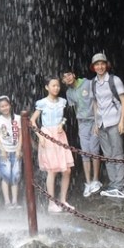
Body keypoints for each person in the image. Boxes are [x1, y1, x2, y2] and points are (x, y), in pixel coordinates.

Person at [31, 76, 74, 213]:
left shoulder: (62, 101)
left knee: (67, 169)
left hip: (60, 135)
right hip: (47, 135)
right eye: (53, 85)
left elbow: (66, 116)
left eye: (58, 86)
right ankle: (51, 203)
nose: (56, 88)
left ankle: (63, 200)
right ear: (47, 87)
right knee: (52, 170)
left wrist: (62, 124)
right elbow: (32, 121)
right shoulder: (42, 103)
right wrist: (40, 136)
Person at [91, 53, 124, 199]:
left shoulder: (114, 80)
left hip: (114, 122)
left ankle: (120, 186)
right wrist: (95, 122)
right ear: (93, 67)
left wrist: (122, 121)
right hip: (101, 124)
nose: (100, 67)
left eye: (102, 64)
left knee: (117, 153)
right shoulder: (93, 82)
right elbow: (95, 104)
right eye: (97, 64)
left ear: (106, 65)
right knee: (107, 155)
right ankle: (113, 184)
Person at [63, 70, 102, 197]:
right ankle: (88, 182)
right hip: (82, 123)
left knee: (94, 150)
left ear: (74, 75)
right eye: (64, 77)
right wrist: (79, 126)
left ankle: (96, 180)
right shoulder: (69, 93)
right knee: (85, 152)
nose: (67, 78)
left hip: (93, 121)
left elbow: (96, 102)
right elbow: (75, 109)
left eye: (69, 74)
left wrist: (97, 122)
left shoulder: (87, 83)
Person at [0, 95, 23, 209]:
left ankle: (15, 201)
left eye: (6, 105)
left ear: (10, 105)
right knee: (5, 176)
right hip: (3, 152)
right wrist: (2, 150)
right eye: (2, 106)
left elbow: (21, 135)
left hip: (15, 151)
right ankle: (7, 202)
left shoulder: (18, 118)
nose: (4, 108)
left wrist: (19, 149)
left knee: (15, 176)